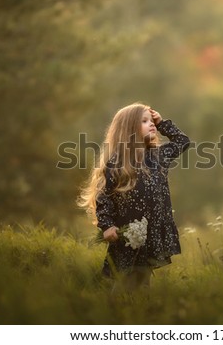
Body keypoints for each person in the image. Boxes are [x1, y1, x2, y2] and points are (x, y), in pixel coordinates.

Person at [78, 103, 190, 290]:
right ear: (128, 129)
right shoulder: (119, 162)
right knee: (124, 278)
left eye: (152, 121)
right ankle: (115, 312)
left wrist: (162, 123)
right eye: (145, 121)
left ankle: (138, 314)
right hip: (129, 233)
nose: (152, 124)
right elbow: (104, 196)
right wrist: (107, 225)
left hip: (151, 232)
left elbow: (183, 142)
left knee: (143, 280)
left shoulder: (158, 155)